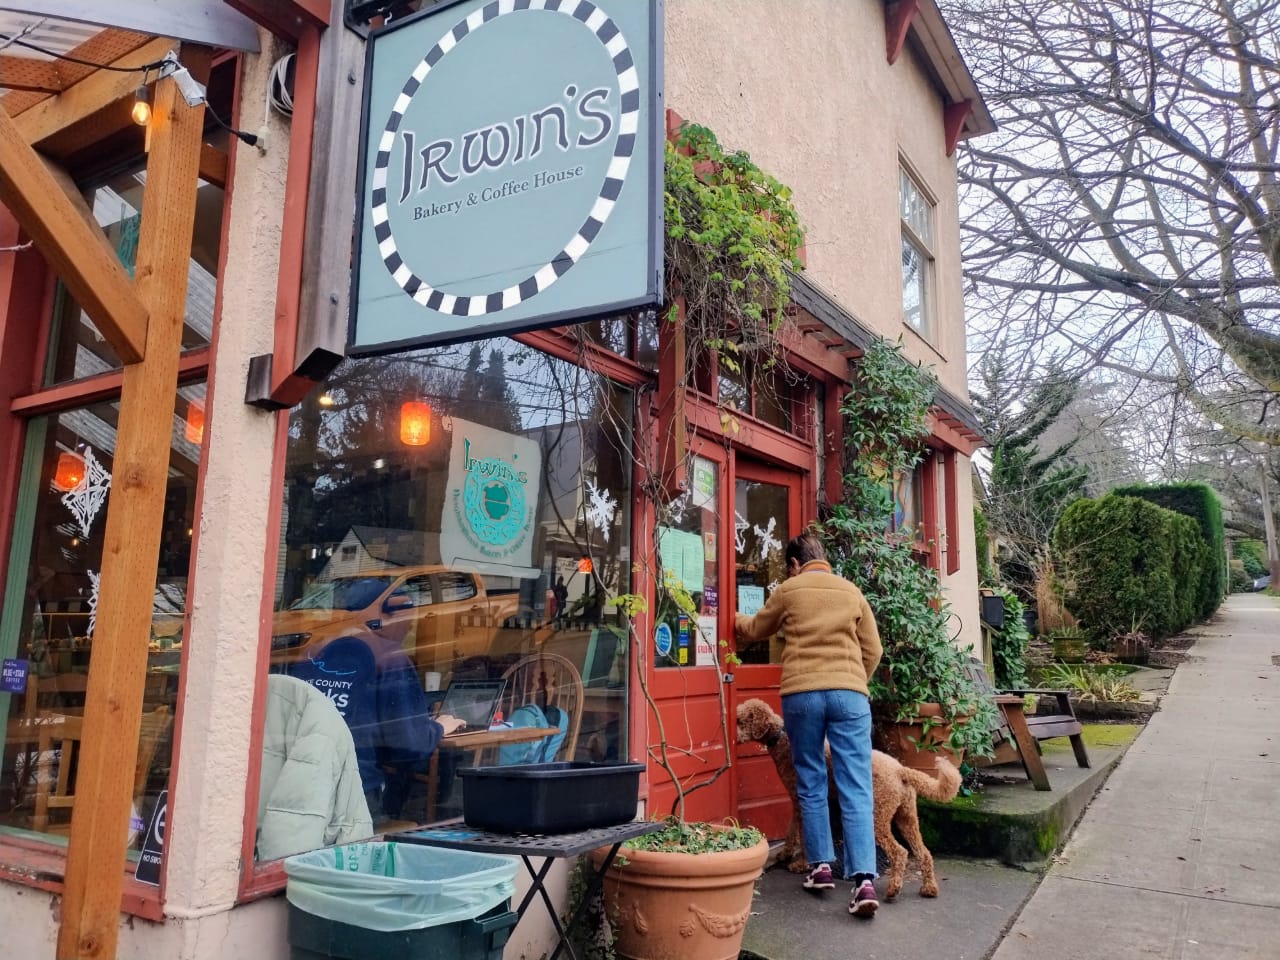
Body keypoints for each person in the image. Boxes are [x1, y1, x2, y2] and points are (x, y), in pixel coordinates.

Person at [735, 533, 883, 918]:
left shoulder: (789, 589)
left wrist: (729, 616)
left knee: (810, 777)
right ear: (823, 559)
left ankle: (820, 868)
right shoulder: (851, 591)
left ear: (794, 564)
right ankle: (864, 880)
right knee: (855, 784)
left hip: (802, 694)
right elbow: (874, 649)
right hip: (848, 694)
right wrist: (854, 681)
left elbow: (754, 630)